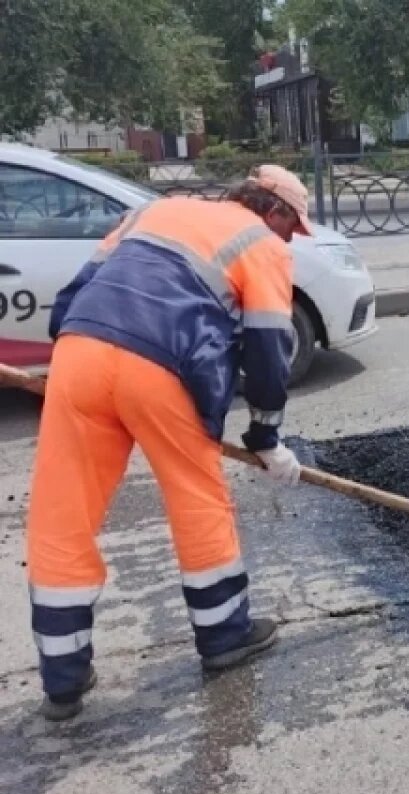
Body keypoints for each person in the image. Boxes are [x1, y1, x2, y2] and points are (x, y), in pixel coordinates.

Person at [25, 165, 312, 720]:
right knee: (195, 495)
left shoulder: (154, 211)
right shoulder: (262, 245)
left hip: (80, 352)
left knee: (62, 512)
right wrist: (266, 437)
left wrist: (76, 353)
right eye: (292, 227)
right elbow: (268, 348)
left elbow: (74, 295)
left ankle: (62, 678)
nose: (291, 239)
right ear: (274, 211)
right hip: (162, 366)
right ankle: (225, 636)